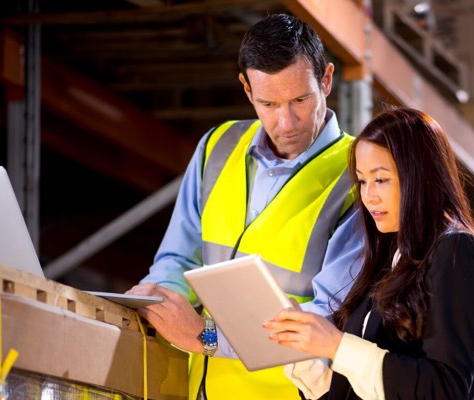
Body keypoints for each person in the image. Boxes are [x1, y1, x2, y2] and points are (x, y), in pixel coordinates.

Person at [126, 13, 364, 400]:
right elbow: (178, 259)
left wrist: (203, 336)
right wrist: (156, 299)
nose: (286, 122)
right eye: (269, 103)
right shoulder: (216, 147)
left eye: (300, 100)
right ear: (246, 89)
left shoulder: (359, 173)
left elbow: (330, 322)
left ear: (326, 80)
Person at [264, 107, 474, 399]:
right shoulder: (387, 260)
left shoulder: (458, 251)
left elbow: (445, 389)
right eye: (363, 181)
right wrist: (307, 354)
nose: (368, 196)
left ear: (419, 175)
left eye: (381, 179)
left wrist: (337, 346)